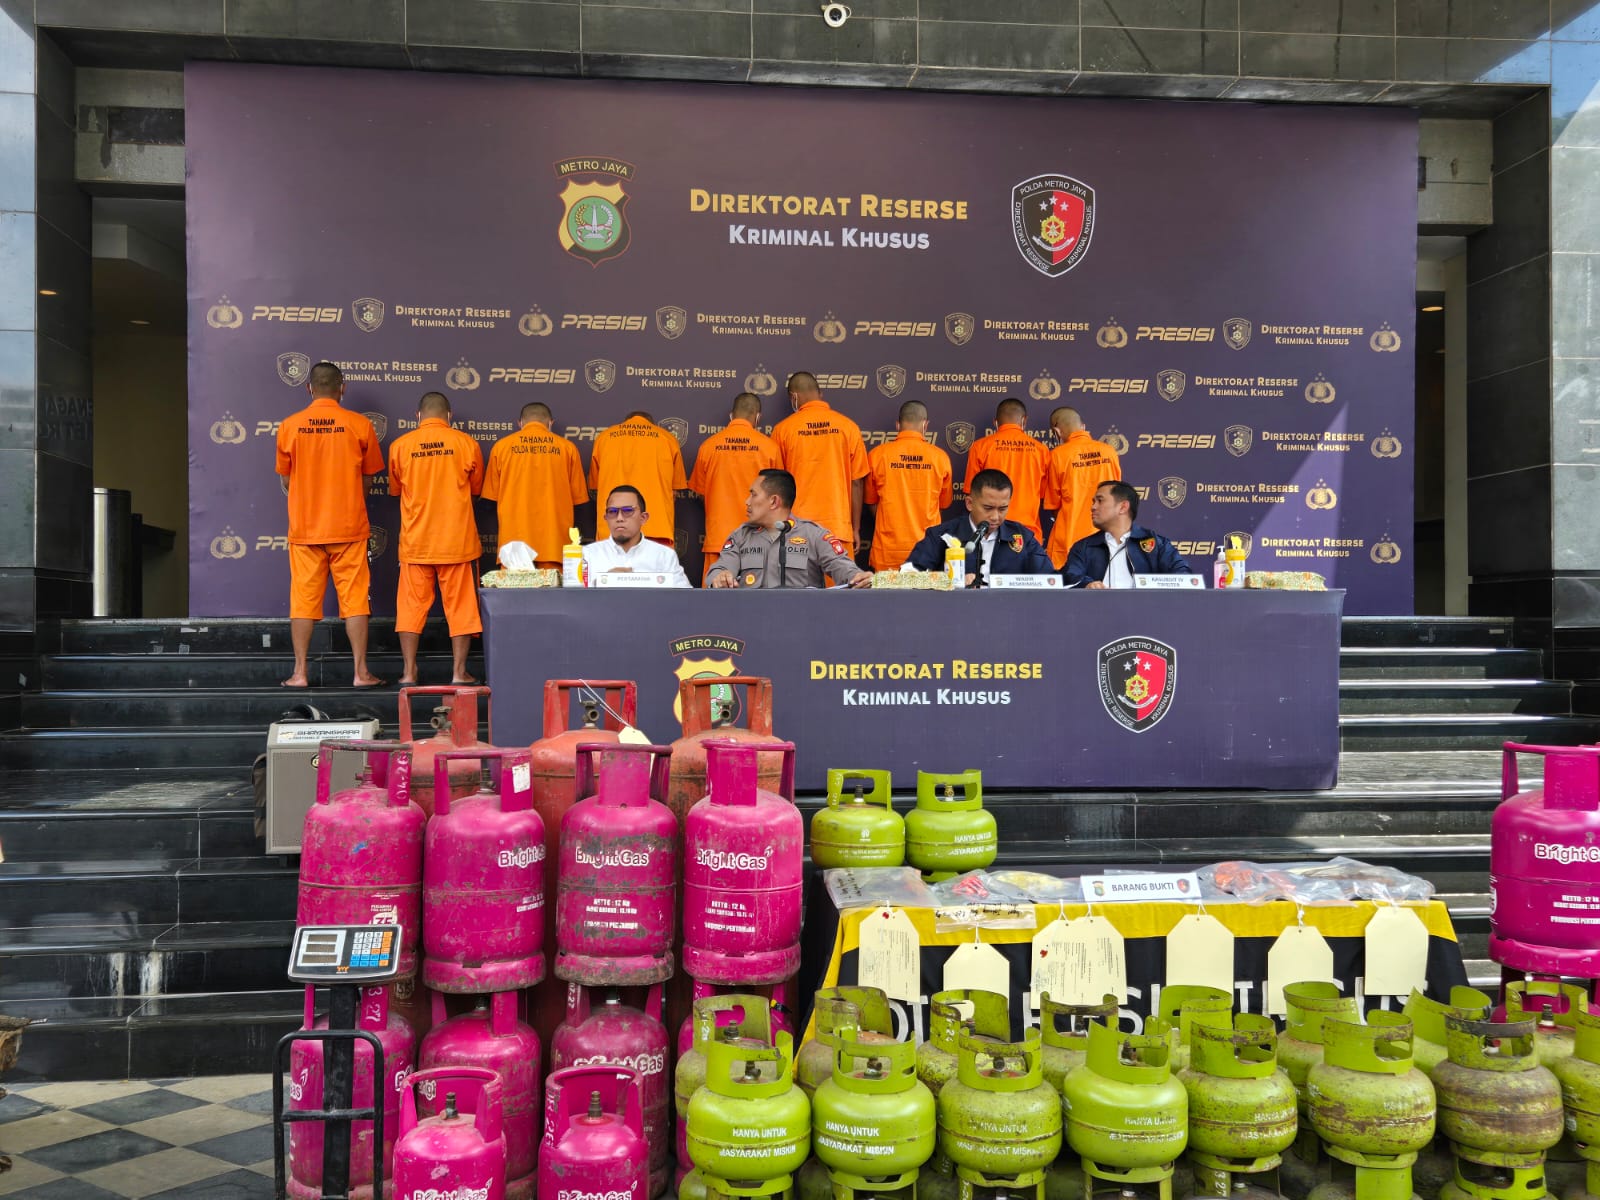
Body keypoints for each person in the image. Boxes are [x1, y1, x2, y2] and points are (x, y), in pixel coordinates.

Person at [274, 361, 385, 689]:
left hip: (306, 529)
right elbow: (368, 480)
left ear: (309, 388)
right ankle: (361, 673)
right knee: (355, 602)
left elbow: (286, 480)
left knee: (303, 603)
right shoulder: (360, 425)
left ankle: (299, 673)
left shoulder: (289, 426)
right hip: (349, 527)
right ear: (342, 388)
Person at [388, 391, 485, 684]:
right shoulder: (467, 444)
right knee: (462, 610)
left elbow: (396, 490)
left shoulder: (400, 446)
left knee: (410, 610)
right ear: (449, 416)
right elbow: (476, 490)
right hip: (457, 543)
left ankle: (408, 672)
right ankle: (458, 673)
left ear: (418, 416)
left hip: (416, 543)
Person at [707, 468, 872, 588]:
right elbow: (720, 569)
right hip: (752, 620)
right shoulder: (741, 536)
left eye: (753, 494)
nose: (747, 501)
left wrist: (857, 577)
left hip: (802, 621)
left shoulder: (813, 535)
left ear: (774, 501)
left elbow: (842, 567)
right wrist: (720, 577)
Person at [688, 392, 782, 583]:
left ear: (731, 415)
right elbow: (779, 496)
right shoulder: (769, 447)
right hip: (760, 540)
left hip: (719, 539)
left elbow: (700, 493)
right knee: (760, 599)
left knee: (715, 599)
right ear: (757, 417)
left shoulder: (709, 446)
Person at [772, 371, 869, 557]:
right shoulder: (848, 427)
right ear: (820, 393)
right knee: (839, 577)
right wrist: (855, 528)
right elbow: (857, 482)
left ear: (793, 397)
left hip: (796, 531)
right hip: (838, 529)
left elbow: (775, 486)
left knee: (798, 578)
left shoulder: (782, 430)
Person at [481, 401, 587, 568]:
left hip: (514, 548)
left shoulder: (501, 447)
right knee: (553, 586)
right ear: (550, 423)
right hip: (553, 544)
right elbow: (579, 500)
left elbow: (489, 499)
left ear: (520, 423)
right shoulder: (567, 448)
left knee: (513, 587)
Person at [906, 468, 1054, 585]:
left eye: (1002, 509)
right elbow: (906, 577)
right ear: (969, 503)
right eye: (988, 508)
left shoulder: (1022, 537)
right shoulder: (942, 535)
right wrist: (948, 581)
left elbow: (1051, 580)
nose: (995, 516)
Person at [865, 399, 954, 572]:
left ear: (898, 425)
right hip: (927, 550)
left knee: (885, 591)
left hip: (887, 551)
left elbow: (871, 502)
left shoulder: (877, 455)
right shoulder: (940, 458)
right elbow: (943, 504)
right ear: (925, 425)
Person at [1063, 480, 1193, 588]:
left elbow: (1183, 576)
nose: (1093, 507)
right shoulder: (1083, 547)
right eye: (1093, 502)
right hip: (1097, 609)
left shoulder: (1157, 545)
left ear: (1123, 507)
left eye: (1100, 501)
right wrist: (1087, 585)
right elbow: (1070, 578)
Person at [588, 411, 688, 546]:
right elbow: (675, 490)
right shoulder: (667, 439)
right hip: (657, 530)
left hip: (613, 530)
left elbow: (595, 488)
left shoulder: (604, 438)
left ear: (626, 421)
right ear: (651, 423)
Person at [1042, 406, 1122, 569]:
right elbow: (1118, 493)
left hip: (1070, 539)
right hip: (1106, 538)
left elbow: (1053, 504)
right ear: (1083, 427)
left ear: (1057, 432)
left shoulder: (1058, 455)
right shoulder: (1109, 452)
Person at [963, 398, 1050, 539]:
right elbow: (1043, 493)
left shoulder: (980, 447)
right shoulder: (1041, 450)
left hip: (990, 529)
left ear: (995, 422)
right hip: (1027, 532)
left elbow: (971, 491)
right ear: (1024, 420)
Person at [582, 484, 692, 587]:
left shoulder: (664, 556)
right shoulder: (587, 555)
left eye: (627, 511)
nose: (619, 518)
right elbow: (575, 597)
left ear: (643, 518)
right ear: (606, 518)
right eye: (612, 511)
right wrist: (601, 582)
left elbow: (685, 597)